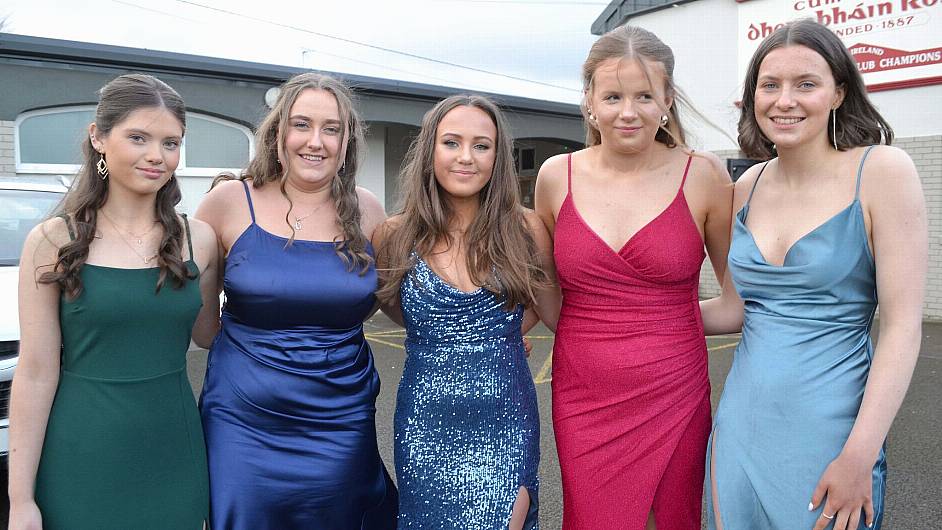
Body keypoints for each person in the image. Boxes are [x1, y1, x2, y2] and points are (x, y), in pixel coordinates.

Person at [700, 19, 926, 530]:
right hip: (740, 427)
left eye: (806, 83)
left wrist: (860, 455)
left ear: (838, 92)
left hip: (834, 433)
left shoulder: (883, 171)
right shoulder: (749, 184)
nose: (785, 100)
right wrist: (623, 323)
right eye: (770, 85)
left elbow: (902, 327)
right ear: (752, 96)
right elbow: (736, 308)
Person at [534, 26, 733, 529]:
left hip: (675, 391)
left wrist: (664, 324)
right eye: (614, 96)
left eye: (645, 95)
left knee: (669, 518)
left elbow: (736, 303)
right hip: (584, 395)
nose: (629, 111)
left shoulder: (705, 175)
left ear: (667, 99)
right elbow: (551, 297)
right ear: (589, 101)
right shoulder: (556, 176)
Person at [8, 74, 219, 530]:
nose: (156, 156)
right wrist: (20, 498)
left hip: (173, 448)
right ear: (98, 137)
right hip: (81, 450)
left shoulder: (198, 239)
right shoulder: (52, 241)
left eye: (171, 143)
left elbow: (212, 335)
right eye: (138, 138)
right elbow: (36, 371)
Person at [195, 72, 396, 529]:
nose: (316, 141)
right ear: (278, 132)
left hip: (340, 420)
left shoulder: (368, 210)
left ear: (347, 142)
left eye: (331, 129)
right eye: (301, 124)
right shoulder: (229, 201)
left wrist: (494, 335)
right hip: (242, 420)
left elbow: (399, 302)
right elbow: (204, 328)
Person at [373, 94, 560, 530]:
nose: (466, 158)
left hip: (505, 421)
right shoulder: (394, 235)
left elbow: (550, 308)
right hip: (426, 426)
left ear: (498, 157)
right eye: (451, 143)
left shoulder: (525, 228)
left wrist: (500, 333)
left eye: (482, 145)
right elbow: (398, 310)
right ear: (429, 151)